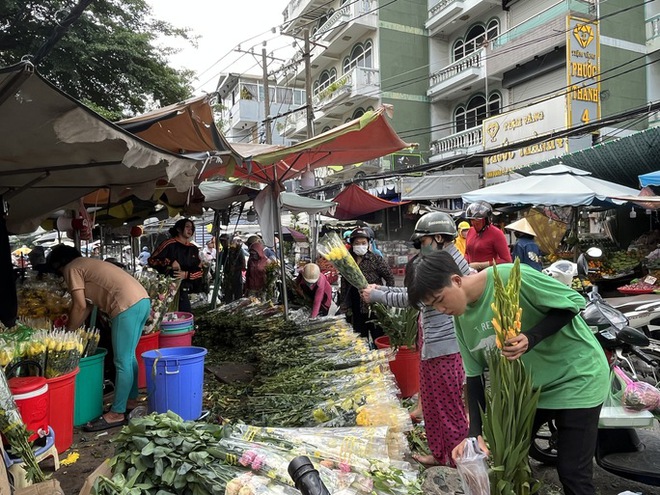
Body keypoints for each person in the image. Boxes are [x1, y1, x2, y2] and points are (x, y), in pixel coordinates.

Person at [406, 250, 609, 495]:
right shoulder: (461, 320)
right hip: (530, 390)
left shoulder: (509, 276)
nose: (441, 309)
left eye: (440, 299)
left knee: (572, 471)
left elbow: (573, 303)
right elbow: (474, 376)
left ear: (456, 280)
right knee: (507, 456)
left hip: (577, 376)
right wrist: (474, 435)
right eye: (432, 306)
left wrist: (531, 338)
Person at [361, 211, 470, 466]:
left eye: (424, 241)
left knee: (448, 411)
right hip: (432, 347)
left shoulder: (450, 266)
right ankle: (440, 453)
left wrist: (378, 295)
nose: (421, 248)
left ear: (440, 238)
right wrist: (381, 290)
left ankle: (457, 461)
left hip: (447, 350)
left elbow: (413, 298)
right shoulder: (440, 260)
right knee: (432, 407)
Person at [45, 244, 150, 432]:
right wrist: (73, 328)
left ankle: (117, 412)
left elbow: (78, 306)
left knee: (121, 361)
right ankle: (131, 401)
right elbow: (87, 306)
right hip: (141, 300)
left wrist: (67, 332)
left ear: (58, 264)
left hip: (125, 305)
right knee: (129, 357)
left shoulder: (71, 268)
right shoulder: (86, 263)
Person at [339, 228, 394, 342]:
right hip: (355, 305)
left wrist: (387, 299)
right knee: (359, 339)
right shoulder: (347, 261)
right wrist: (344, 302)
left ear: (369, 244)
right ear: (352, 244)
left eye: (363, 243)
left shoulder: (376, 259)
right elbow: (344, 283)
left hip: (375, 306)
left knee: (378, 336)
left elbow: (390, 278)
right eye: (357, 243)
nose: (360, 246)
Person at [148, 218, 203, 312]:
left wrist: (186, 274)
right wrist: (170, 262)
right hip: (166, 292)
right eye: (187, 227)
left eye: (192, 228)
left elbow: (199, 271)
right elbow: (152, 260)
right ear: (178, 229)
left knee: (185, 317)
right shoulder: (169, 244)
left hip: (185, 290)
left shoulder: (193, 248)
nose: (190, 230)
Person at [464, 201, 512, 271]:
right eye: (471, 220)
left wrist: (481, 265)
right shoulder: (470, 231)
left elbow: (507, 260)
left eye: (477, 220)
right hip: (471, 273)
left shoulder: (497, 233)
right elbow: (467, 253)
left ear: (486, 220)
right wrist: (464, 262)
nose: (473, 223)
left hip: (488, 274)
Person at [223, 236, 246, 303]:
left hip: (237, 278)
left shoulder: (239, 251)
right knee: (228, 297)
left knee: (238, 298)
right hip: (228, 278)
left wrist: (235, 268)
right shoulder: (227, 251)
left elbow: (243, 265)